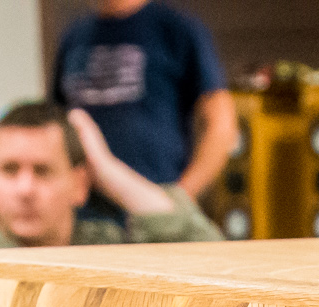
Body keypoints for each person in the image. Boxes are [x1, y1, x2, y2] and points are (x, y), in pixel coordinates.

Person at [49, 0, 234, 222]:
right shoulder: (74, 36)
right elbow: (56, 127)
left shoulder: (176, 28)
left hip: (155, 214)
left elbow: (221, 124)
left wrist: (182, 197)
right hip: (86, 219)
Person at [0, 102, 222, 249]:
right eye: (9, 170)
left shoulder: (102, 251)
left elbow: (210, 252)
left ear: (79, 184)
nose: (25, 189)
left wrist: (108, 169)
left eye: (43, 171)